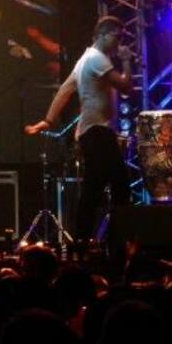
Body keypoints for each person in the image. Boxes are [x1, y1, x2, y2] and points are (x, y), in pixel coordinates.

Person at [25, 16, 132, 245]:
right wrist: (126, 62)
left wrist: (48, 120)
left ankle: (85, 243)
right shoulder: (97, 59)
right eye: (117, 37)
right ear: (103, 35)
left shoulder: (85, 60)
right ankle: (115, 243)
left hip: (92, 133)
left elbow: (64, 91)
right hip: (98, 133)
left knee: (94, 189)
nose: (120, 43)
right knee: (119, 185)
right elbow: (125, 86)